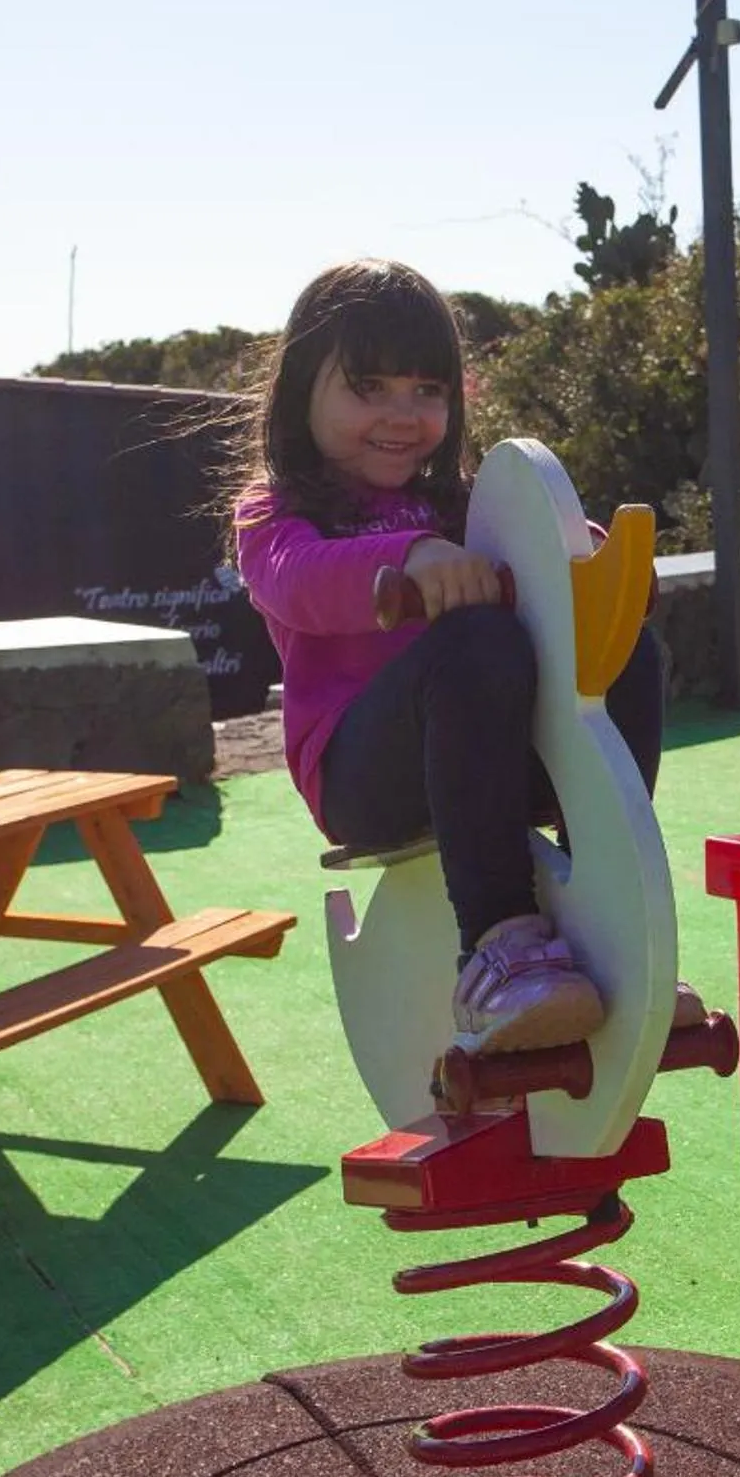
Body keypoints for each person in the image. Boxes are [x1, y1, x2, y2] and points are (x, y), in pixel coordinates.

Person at [232, 258, 665, 1055]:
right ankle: (499, 948)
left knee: (625, 652)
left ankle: (613, 901)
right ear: (302, 389)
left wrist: (576, 556)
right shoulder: (276, 513)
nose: (403, 414)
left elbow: (538, 559)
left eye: (426, 390)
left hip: (493, 753)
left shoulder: (463, 505)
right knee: (471, 642)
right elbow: (298, 583)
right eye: (369, 388)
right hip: (367, 776)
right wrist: (415, 559)